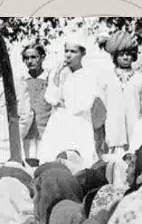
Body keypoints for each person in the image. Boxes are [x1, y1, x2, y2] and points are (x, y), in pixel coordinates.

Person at [39, 32, 99, 166]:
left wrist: (64, 104)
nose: (68, 55)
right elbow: (50, 97)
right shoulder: (59, 73)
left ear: (82, 54)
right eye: (66, 51)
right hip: (58, 121)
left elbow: (85, 104)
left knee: (80, 159)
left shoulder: (88, 75)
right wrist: (57, 73)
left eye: (73, 51)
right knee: (53, 156)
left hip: (79, 122)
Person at [104, 30, 142, 154]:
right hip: (114, 136)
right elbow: (102, 108)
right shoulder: (106, 79)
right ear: (115, 56)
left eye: (128, 54)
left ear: (134, 55)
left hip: (136, 134)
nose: (125, 57)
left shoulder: (141, 78)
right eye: (121, 54)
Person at [19, 42, 53, 161]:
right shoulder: (21, 80)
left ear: (42, 57)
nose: (30, 61)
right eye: (26, 58)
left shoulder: (50, 78)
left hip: (45, 131)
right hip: (27, 133)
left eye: (34, 57)